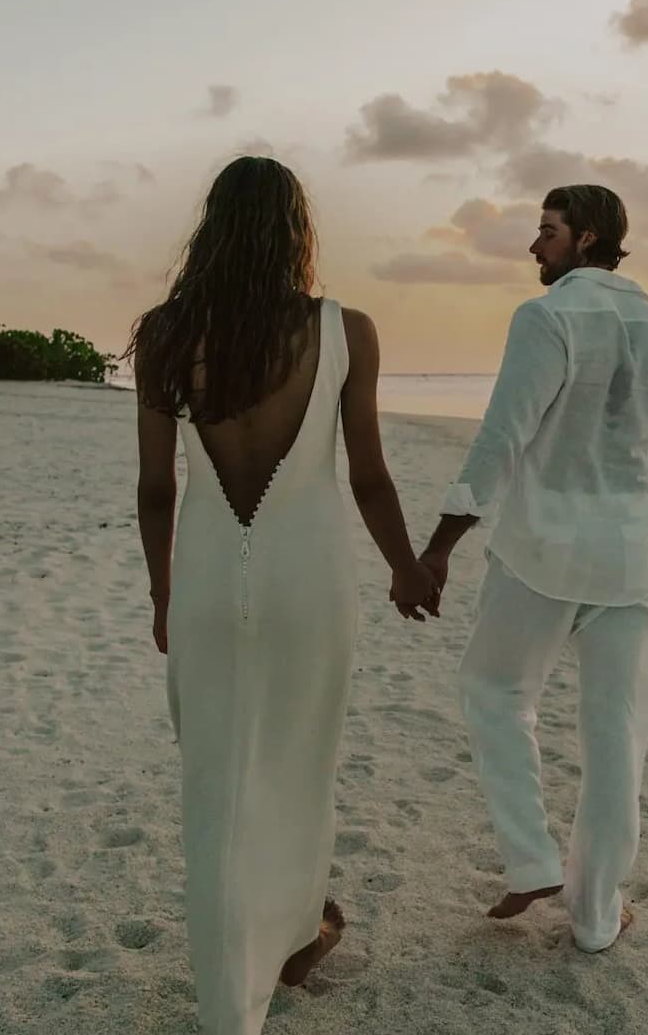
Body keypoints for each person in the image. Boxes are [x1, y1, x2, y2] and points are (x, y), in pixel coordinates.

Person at [129, 157, 440, 1035]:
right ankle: (290, 940)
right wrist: (406, 566)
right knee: (300, 766)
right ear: (295, 231)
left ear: (211, 227)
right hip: (311, 579)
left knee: (216, 777)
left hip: (203, 580)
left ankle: (256, 967)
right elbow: (369, 477)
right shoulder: (346, 330)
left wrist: (163, 592)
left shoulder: (163, 333)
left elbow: (156, 491)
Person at [416, 183, 648, 954]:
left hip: (542, 549)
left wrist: (442, 542)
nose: (533, 246)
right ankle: (596, 917)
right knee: (618, 736)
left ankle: (534, 858)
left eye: (546, 231)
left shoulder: (545, 318)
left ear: (588, 238)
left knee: (493, 688)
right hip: (629, 560)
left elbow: (503, 435)